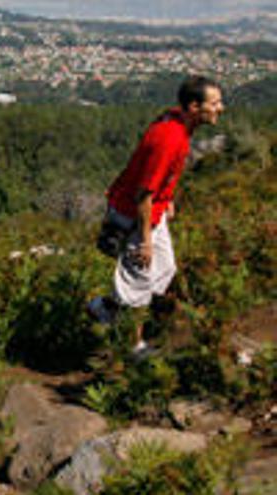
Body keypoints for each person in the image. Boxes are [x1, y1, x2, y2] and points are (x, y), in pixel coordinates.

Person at [88, 75, 225, 355]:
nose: (220, 108)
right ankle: (132, 347)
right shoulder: (169, 138)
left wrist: (168, 197)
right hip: (135, 215)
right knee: (139, 279)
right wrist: (146, 240)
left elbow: (157, 177)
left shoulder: (177, 121)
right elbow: (142, 194)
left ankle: (108, 309)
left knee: (164, 268)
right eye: (215, 103)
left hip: (153, 210)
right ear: (193, 107)